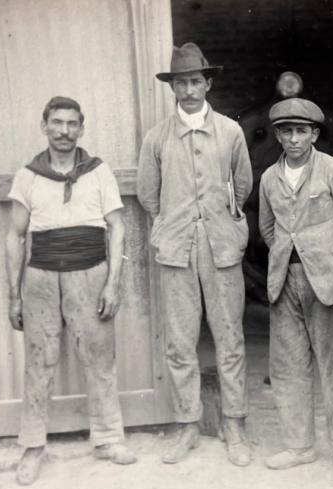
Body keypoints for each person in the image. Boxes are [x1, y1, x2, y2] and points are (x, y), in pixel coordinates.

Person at [5, 96, 135, 486]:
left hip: (91, 274)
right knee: (38, 363)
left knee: (100, 359)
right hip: (41, 279)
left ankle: (109, 440)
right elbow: (14, 235)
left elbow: (118, 228)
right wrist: (14, 293)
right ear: (43, 125)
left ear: (82, 127)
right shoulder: (28, 176)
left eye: (72, 124)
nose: (64, 131)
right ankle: (31, 447)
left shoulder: (98, 173)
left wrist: (113, 283)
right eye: (56, 122)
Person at [136, 43, 253, 466]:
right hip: (177, 249)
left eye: (195, 81)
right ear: (172, 88)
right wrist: (174, 224)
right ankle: (187, 423)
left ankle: (234, 422)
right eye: (181, 82)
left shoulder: (230, 132)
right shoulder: (157, 137)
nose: (188, 90)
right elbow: (149, 196)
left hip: (221, 245)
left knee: (230, 338)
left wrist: (226, 224)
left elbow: (242, 186)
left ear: (208, 83)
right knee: (180, 342)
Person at [258, 98, 333, 479]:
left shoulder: (332, 170)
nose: (293, 139)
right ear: (276, 134)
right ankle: (299, 446)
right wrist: (287, 257)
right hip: (284, 281)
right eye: (286, 131)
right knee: (289, 367)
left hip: (326, 280)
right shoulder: (269, 178)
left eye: (301, 131)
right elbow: (269, 229)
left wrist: (331, 257)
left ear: (314, 134)